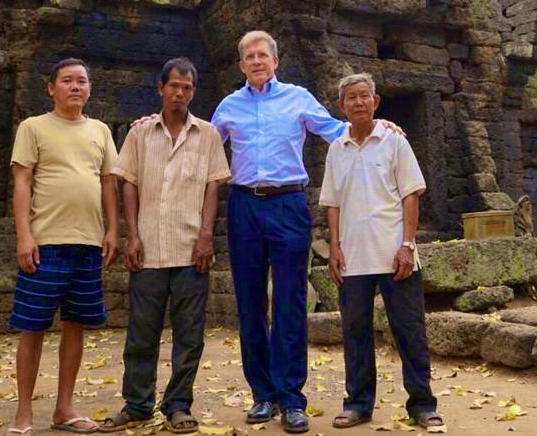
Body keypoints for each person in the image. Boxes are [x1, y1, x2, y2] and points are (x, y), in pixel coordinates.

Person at [210, 30, 403, 434]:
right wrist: (158, 121)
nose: (257, 61)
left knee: (290, 301)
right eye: (250, 56)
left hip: (288, 204)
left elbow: (335, 130)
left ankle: (291, 399)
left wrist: (375, 124)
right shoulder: (228, 106)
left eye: (263, 55)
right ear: (242, 65)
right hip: (243, 205)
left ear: (275, 61)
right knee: (249, 302)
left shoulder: (297, 98)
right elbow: (203, 147)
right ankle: (262, 395)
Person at [101, 58, 231, 434]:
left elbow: (212, 187)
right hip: (149, 249)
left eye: (187, 88)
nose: (180, 93)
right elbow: (128, 183)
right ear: (160, 88)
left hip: (192, 250)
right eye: (174, 86)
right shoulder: (140, 134)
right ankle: (137, 404)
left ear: (193, 92)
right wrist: (132, 235)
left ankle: (178, 404)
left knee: (189, 334)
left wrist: (206, 236)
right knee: (141, 333)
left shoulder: (208, 134)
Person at [320, 73, 442, 431]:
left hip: (395, 255)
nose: (358, 102)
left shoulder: (394, 141)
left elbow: (410, 195)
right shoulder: (336, 149)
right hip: (352, 258)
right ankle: (358, 404)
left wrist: (407, 245)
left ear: (375, 102)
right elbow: (332, 204)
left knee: (410, 332)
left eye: (364, 96)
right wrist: (334, 247)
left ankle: (422, 405)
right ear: (341, 106)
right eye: (351, 98)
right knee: (355, 333)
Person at [8, 58, 120, 436]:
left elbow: (108, 184)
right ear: (51, 88)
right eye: (67, 80)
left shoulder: (100, 130)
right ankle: (24, 412)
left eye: (82, 81)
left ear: (89, 89)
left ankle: (64, 408)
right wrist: (24, 236)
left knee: (76, 325)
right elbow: (22, 183)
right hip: (45, 244)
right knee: (33, 327)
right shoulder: (33, 127)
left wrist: (113, 231)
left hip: (88, 243)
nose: (75, 86)